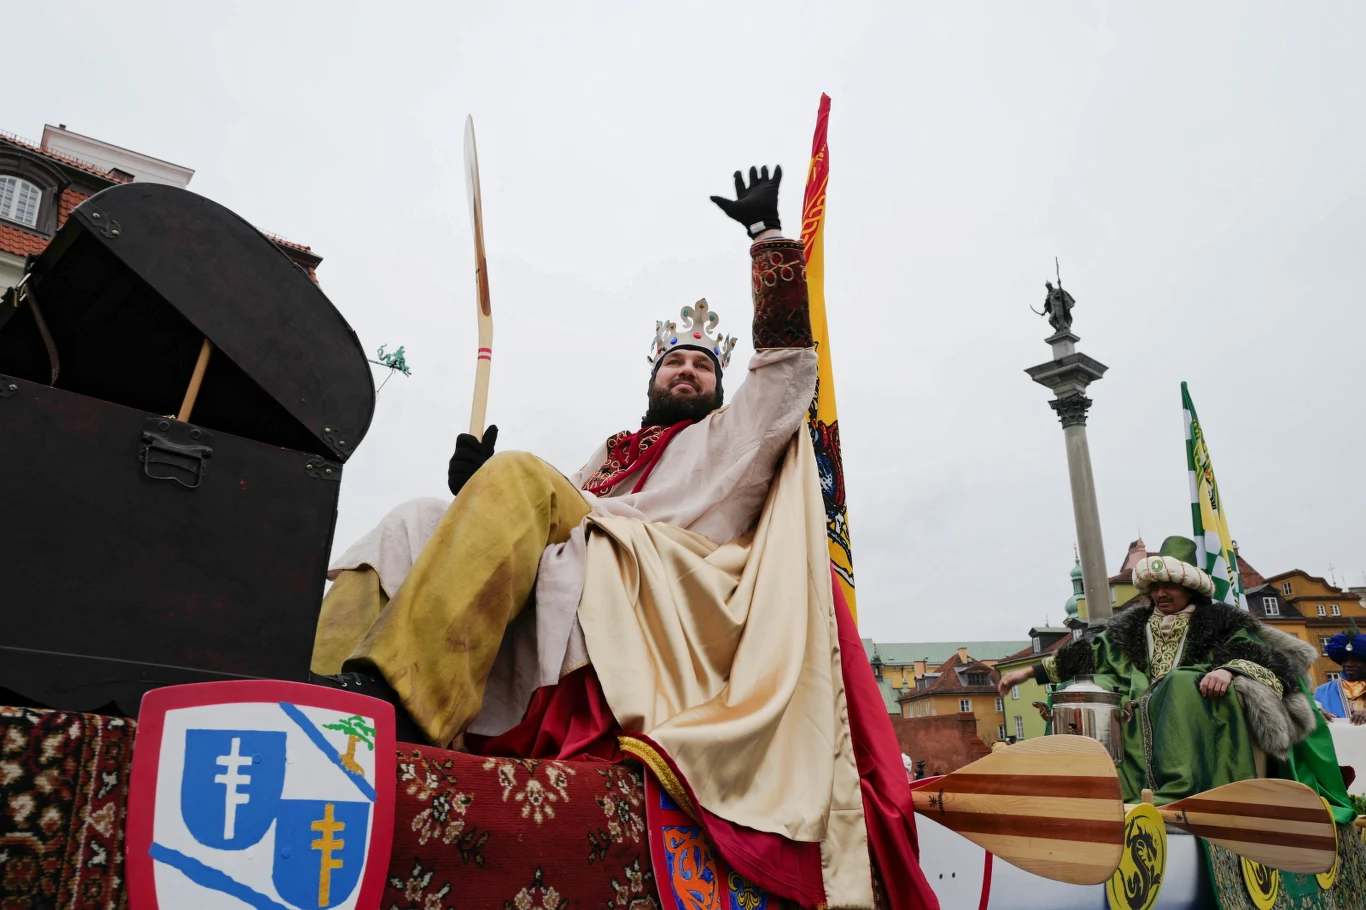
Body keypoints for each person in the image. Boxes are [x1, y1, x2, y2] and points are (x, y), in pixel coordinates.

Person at [310, 165, 939, 910]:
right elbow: (536, 519)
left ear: (718, 384)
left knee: (517, 476)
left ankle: (402, 708)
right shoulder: (612, 456)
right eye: (674, 360)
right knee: (412, 519)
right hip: (592, 548)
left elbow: (789, 371)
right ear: (651, 377)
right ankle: (320, 685)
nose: (686, 371)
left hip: (663, 590)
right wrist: (470, 492)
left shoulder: (735, 438)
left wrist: (765, 238)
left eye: (702, 365)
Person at [997, 536, 1342, 810]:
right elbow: (1088, 652)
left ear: (1190, 588)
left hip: (1201, 713)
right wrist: (1026, 674)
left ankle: (1183, 792)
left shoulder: (1219, 623)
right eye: (1154, 588)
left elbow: (1266, 661)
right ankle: (1084, 787)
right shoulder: (1132, 627)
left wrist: (1229, 671)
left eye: (1170, 587)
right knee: (1084, 692)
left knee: (1178, 682)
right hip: (1139, 715)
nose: (1160, 594)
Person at [1315, 630, 1366, 724]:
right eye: (1345, 660)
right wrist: (1316, 714)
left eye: (1355, 660)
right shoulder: (1322, 691)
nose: (1348, 664)